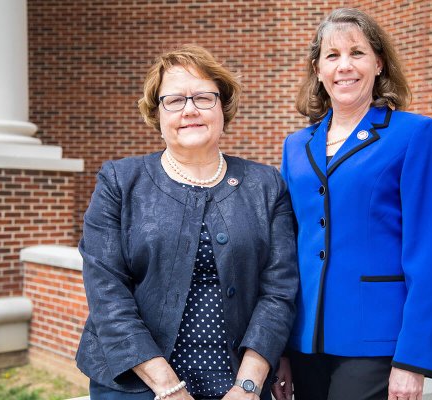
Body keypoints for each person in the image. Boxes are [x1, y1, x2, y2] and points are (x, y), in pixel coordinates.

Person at [75, 44, 299, 400]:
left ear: (223, 106)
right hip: (137, 384)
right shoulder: (119, 181)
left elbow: (279, 290)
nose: (190, 110)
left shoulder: (266, 185)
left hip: (237, 382)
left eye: (204, 98)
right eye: (175, 100)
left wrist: (248, 385)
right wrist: (168, 387)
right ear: (157, 112)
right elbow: (107, 292)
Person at [272, 8, 432, 400]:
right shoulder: (295, 146)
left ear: (378, 63)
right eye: (332, 56)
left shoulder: (415, 134)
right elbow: (286, 250)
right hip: (304, 340)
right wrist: (279, 347)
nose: (344, 66)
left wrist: (413, 359)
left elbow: (426, 251)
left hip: (376, 340)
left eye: (357, 53)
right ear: (318, 69)